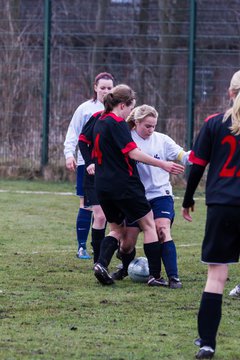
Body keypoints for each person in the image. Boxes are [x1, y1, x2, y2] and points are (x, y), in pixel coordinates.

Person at [79, 84, 185, 286]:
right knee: (149, 225)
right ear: (122, 105)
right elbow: (133, 153)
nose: (130, 112)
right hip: (124, 184)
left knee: (116, 230)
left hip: (102, 185)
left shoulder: (98, 120)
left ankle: (101, 264)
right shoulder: (117, 123)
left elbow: (84, 141)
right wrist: (162, 164)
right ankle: (155, 276)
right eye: (130, 107)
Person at [182, 69, 240, 359]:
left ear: (230, 93)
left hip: (222, 206)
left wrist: (188, 199)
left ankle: (207, 343)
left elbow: (196, 165)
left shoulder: (214, 124)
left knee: (216, 277)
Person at [111, 104, 191, 288]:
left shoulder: (162, 140)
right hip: (135, 197)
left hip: (160, 194)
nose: (151, 129)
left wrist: (200, 154)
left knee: (162, 229)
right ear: (137, 122)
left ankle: (173, 277)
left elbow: (183, 155)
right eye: (147, 125)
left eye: (154, 125)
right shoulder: (127, 139)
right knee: (126, 245)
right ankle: (125, 267)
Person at [64, 72, 114, 259]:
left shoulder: (118, 110)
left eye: (110, 88)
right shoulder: (85, 109)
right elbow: (73, 133)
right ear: (95, 87)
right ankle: (82, 247)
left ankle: (99, 247)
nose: (106, 91)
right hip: (87, 164)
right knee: (87, 205)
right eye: (103, 88)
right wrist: (69, 154)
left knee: (105, 207)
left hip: (109, 166)